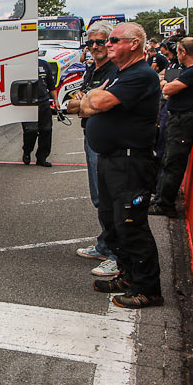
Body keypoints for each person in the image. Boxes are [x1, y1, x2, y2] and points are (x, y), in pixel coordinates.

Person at [81, 22, 163, 309]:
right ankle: (128, 276)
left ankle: (148, 289)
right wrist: (92, 100)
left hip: (130, 161)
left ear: (134, 44)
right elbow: (84, 104)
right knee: (113, 222)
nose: (107, 44)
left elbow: (96, 102)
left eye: (114, 39)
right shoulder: (121, 73)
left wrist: (92, 99)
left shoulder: (141, 74)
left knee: (131, 225)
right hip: (112, 160)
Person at [64, 23, 119, 277]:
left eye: (101, 42)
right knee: (99, 196)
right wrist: (85, 102)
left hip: (109, 141)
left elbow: (89, 105)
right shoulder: (92, 69)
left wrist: (84, 103)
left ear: (111, 43)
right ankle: (105, 244)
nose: (95, 47)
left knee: (110, 198)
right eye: (91, 43)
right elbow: (75, 104)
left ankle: (117, 254)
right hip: (92, 137)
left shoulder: (115, 70)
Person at [150, 37, 193, 217]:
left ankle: (165, 203)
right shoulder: (192, 70)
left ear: (183, 52)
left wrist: (166, 84)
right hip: (181, 118)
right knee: (168, 159)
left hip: (183, 120)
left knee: (173, 161)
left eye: (178, 51)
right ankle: (161, 198)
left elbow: (168, 89)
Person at [21, 57, 57, 167]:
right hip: (27, 103)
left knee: (46, 130)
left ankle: (41, 158)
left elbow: (51, 85)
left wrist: (56, 100)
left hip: (43, 101)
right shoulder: (21, 64)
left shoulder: (44, 64)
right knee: (30, 131)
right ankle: (27, 151)